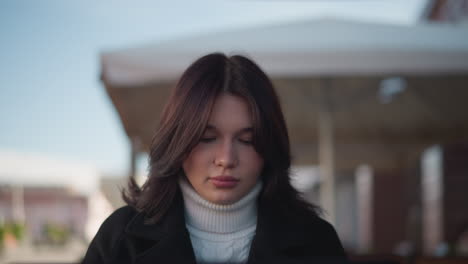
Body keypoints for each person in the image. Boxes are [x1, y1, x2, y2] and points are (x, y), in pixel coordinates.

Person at [82, 53, 347, 264]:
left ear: (270, 147)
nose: (226, 159)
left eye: (247, 140)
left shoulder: (316, 241)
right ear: (178, 141)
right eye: (207, 138)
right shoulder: (120, 238)